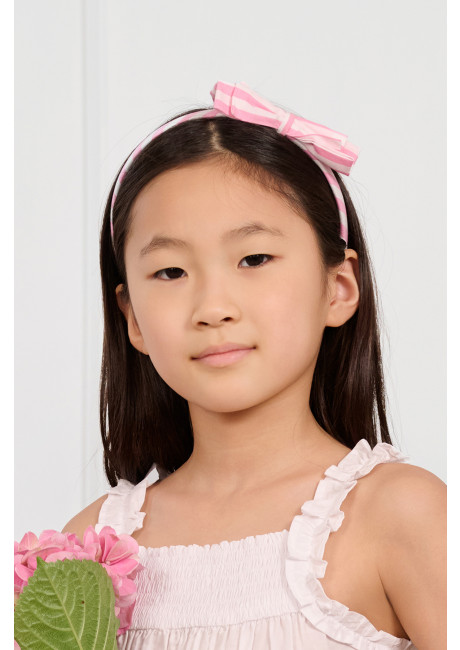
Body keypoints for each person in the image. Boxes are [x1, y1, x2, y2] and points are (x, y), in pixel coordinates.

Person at [62, 81, 446, 649]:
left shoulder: (400, 513)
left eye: (254, 258)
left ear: (339, 287)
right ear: (133, 318)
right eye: (170, 272)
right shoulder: (89, 547)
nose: (213, 307)